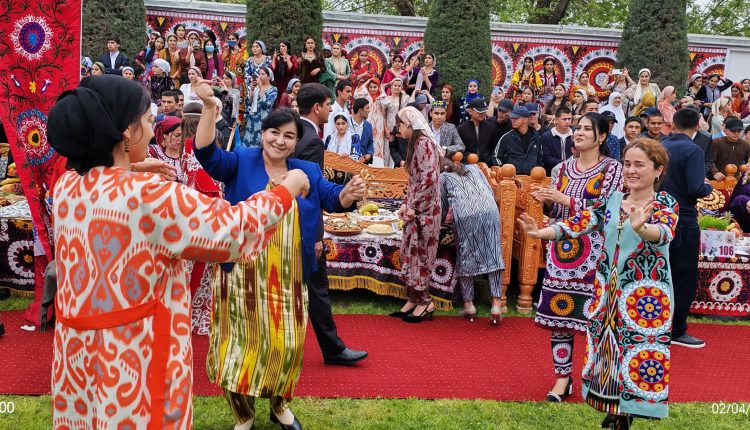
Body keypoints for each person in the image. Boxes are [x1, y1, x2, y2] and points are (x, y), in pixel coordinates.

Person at [48, 75, 309, 429]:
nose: (152, 129)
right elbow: (233, 229)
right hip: (136, 362)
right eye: (147, 120)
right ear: (125, 133)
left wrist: (131, 167)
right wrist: (286, 189)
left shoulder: (67, 186)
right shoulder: (151, 195)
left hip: (77, 356)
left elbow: (104, 181)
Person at [195, 103, 362, 430]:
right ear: (263, 134)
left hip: (288, 278)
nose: (280, 141)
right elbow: (207, 155)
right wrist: (209, 109)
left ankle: (279, 406)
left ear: (296, 141)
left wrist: (348, 193)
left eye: (289, 136)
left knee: (286, 346)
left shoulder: (306, 170)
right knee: (238, 346)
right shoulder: (242, 160)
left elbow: (333, 198)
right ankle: (243, 415)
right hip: (241, 275)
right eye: (274, 132)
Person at [519, 137, 678, 429]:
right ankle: (615, 409)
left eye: (639, 165)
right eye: (627, 164)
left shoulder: (665, 202)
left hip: (644, 294)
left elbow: (664, 233)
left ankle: (626, 412)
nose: (631, 170)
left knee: (636, 352)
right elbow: (579, 223)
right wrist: (542, 233)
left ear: (658, 170)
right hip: (606, 290)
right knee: (607, 350)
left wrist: (642, 228)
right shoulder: (613, 201)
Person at [530, 112, 623, 403]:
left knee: (598, 318)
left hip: (597, 254)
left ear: (602, 137)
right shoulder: (561, 169)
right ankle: (562, 378)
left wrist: (566, 200)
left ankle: (599, 376)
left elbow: (608, 210)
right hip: (563, 253)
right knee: (560, 317)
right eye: (577, 127)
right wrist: (548, 204)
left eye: (586, 129)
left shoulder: (612, 169)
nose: (578, 132)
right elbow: (558, 213)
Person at [293, 83, 369, 365]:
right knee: (317, 290)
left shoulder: (294, 133)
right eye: (328, 105)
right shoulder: (311, 140)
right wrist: (315, 236)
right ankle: (333, 349)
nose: (330, 110)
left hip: (286, 224)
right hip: (303, 229)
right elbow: (309, 193)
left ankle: (329, 347)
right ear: (317, 107)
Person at [661, 108, 713, 348]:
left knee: (662, 274)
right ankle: (676, 329)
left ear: (673, 124)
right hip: (683, 217)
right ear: (698, 126)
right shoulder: (693, 150)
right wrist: (707, 187)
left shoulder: (661, 145)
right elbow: (695, 188)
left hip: (658, 216)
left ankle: (657, 324)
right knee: (684, 277)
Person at [389, 106, 442, 323]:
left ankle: (426, 302)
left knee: (422, 255)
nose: (398, 128)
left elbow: (429, 179)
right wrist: (406, 203)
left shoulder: (424, 143)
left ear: (410, 125)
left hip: (426, 211)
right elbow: (415, 181)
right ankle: (413, 299)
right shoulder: (416, 143)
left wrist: (414, 205)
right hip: (417, 208)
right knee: (411, 254)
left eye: (400, 124)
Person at [440, 158, 504, 324]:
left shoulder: (443, 177)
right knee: (494, 253)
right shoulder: (474, 168)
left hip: (465, 215)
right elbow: (489, 190)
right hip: (490, 211)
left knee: (465, 255)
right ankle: (496, 305)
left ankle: (469, 305)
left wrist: (440, 223)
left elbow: (443, 206)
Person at [492, 106, 543, 174]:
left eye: (516, 118)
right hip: (512, 178)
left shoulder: (537, 137)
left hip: (532, 178)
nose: (512, 120)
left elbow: (540, 157)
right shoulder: (506, 137)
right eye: (512, 118)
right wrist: (505, 171)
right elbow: (495, 157)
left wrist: (536, 171)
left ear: (525, 120)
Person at [243, 66, 278, 147]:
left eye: (263, 74)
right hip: (252, 118)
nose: (260, 76)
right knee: (248, 141)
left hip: (263, 120)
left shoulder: (273, 89)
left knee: (259, 143)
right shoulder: (256, 88)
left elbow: (266, 104)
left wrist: (261, 88)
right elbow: (248, 103)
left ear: (269, 77)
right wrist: (252, 90)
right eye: (259, 74)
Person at [457, 98, 495, 165]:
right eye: (479, 111)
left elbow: (493, 149)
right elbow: (459, 149)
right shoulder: (461, 129)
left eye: (484, 111)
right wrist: (468, 157)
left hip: (486, 165)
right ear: (470, 111)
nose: (482, 113)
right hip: (467, 164)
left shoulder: (491, 128)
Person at [149, 116, 186, 183]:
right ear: (165, 135)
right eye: (177, 135)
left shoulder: (187, 154)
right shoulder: (153, 152)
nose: (181, 139)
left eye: (183, 136)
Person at [540, 106, 574, 174]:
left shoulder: (575, 134)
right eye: (564, 119)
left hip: (573, 172)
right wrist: (565, 164)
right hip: (552, 172)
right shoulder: (547, 136)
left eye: (569, 119)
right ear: (556, 120)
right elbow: (546, 158)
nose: (567, 122)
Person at [350, 97, 374, 163]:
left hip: (363, 163)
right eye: (367, 108)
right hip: (348, 162)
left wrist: (369, 154)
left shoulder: (368, 126)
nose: (369, 110)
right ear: (360, 110)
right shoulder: (346, 123)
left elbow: (370, 144)